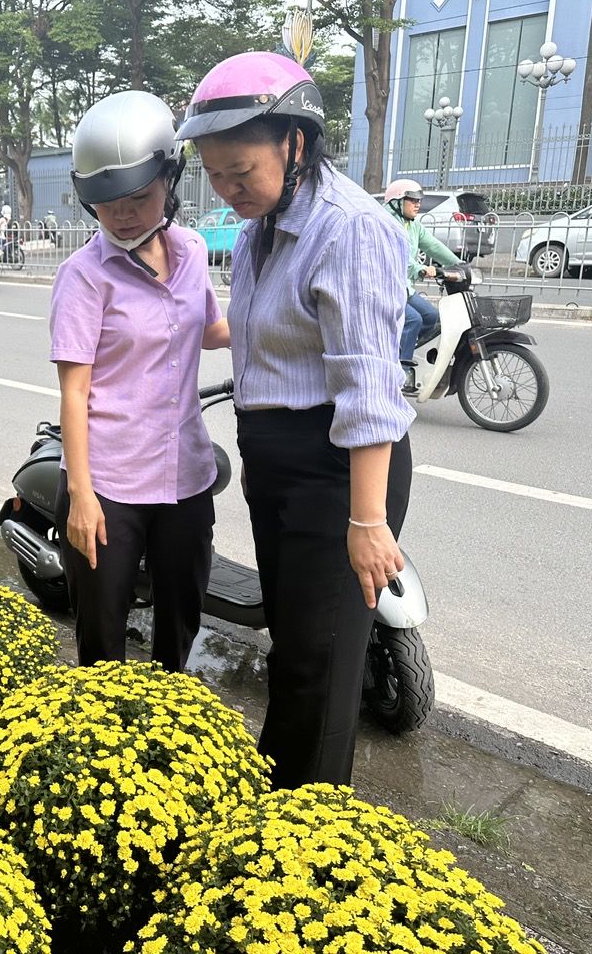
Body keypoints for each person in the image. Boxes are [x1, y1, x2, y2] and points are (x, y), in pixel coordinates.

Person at [177, 52, 413, 788]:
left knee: (322, 659)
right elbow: (259, 338)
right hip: (280, 460)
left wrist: (367, 521)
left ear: (296, 144)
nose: (227, 189)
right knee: (294, 645)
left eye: (239, 170)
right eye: (213, 174)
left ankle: (308, 834)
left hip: (338, 466)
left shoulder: (349, 229)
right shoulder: (260, 229)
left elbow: (368, 384)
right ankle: (280, 803)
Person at [50, 90, 230, 673]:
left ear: (169, 182)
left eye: (139, 198)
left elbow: (209, 329)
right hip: (109, 483)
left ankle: (168, 730)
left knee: (180, 621)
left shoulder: (193, 251)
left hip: (185, 476)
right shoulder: (83, 277)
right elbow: (74, 391)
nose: (124, 214)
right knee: (103, 640)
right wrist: (81, 496)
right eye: (107, 204)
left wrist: (291, 327)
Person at [383, 179, 461, 392]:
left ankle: (398, 349)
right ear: (397, 201)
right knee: (413, 320)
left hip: (404, 288)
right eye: (412, 200)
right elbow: (397, 258)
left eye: (419, 200)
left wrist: (459, 264)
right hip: (384, 288)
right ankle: (401, 374)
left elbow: (433, 246)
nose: (418, 204)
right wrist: (419, 268)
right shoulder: (385, 223)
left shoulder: (413, 224)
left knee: (434, 318)